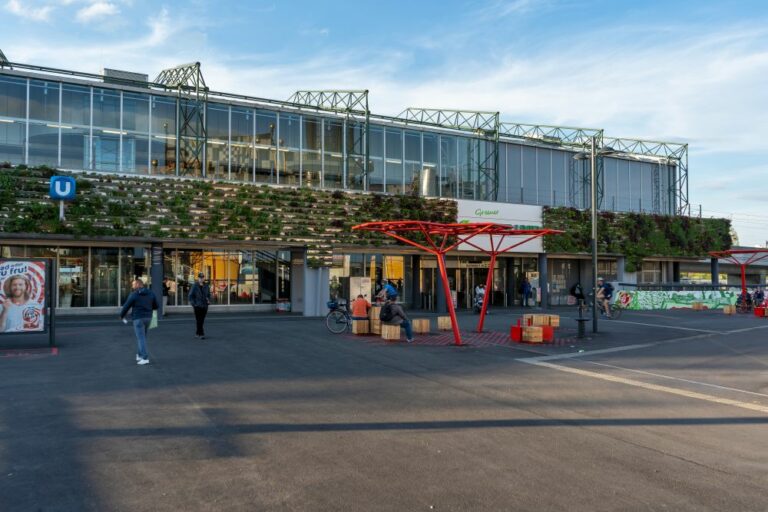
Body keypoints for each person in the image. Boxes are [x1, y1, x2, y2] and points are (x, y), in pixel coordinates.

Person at [119, 279, 159, 365]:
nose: (132, 286)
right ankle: (140, 355)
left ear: (138, 284)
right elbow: (156, 306)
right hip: (148, 318)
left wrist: (121, 315)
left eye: (133, 284)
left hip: (138, 318)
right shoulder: (151, 293)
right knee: (142, 337)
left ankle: (145, 358)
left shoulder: (134, 294)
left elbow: (126, 306)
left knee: (141, 338)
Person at [188, 272, 211, 339]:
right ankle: (201, 334)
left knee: (202, 320)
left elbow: (209, 295)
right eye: (200, 277)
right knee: (199, 320)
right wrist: (194, 304)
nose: (201, 279)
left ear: (204, 278)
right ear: (198, 278)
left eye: (202, 277)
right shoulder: (195, 285)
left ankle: (197, 333)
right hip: (197, 306)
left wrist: (208, 300)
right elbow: (190, 296)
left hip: (204, 306)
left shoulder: (206, 285)